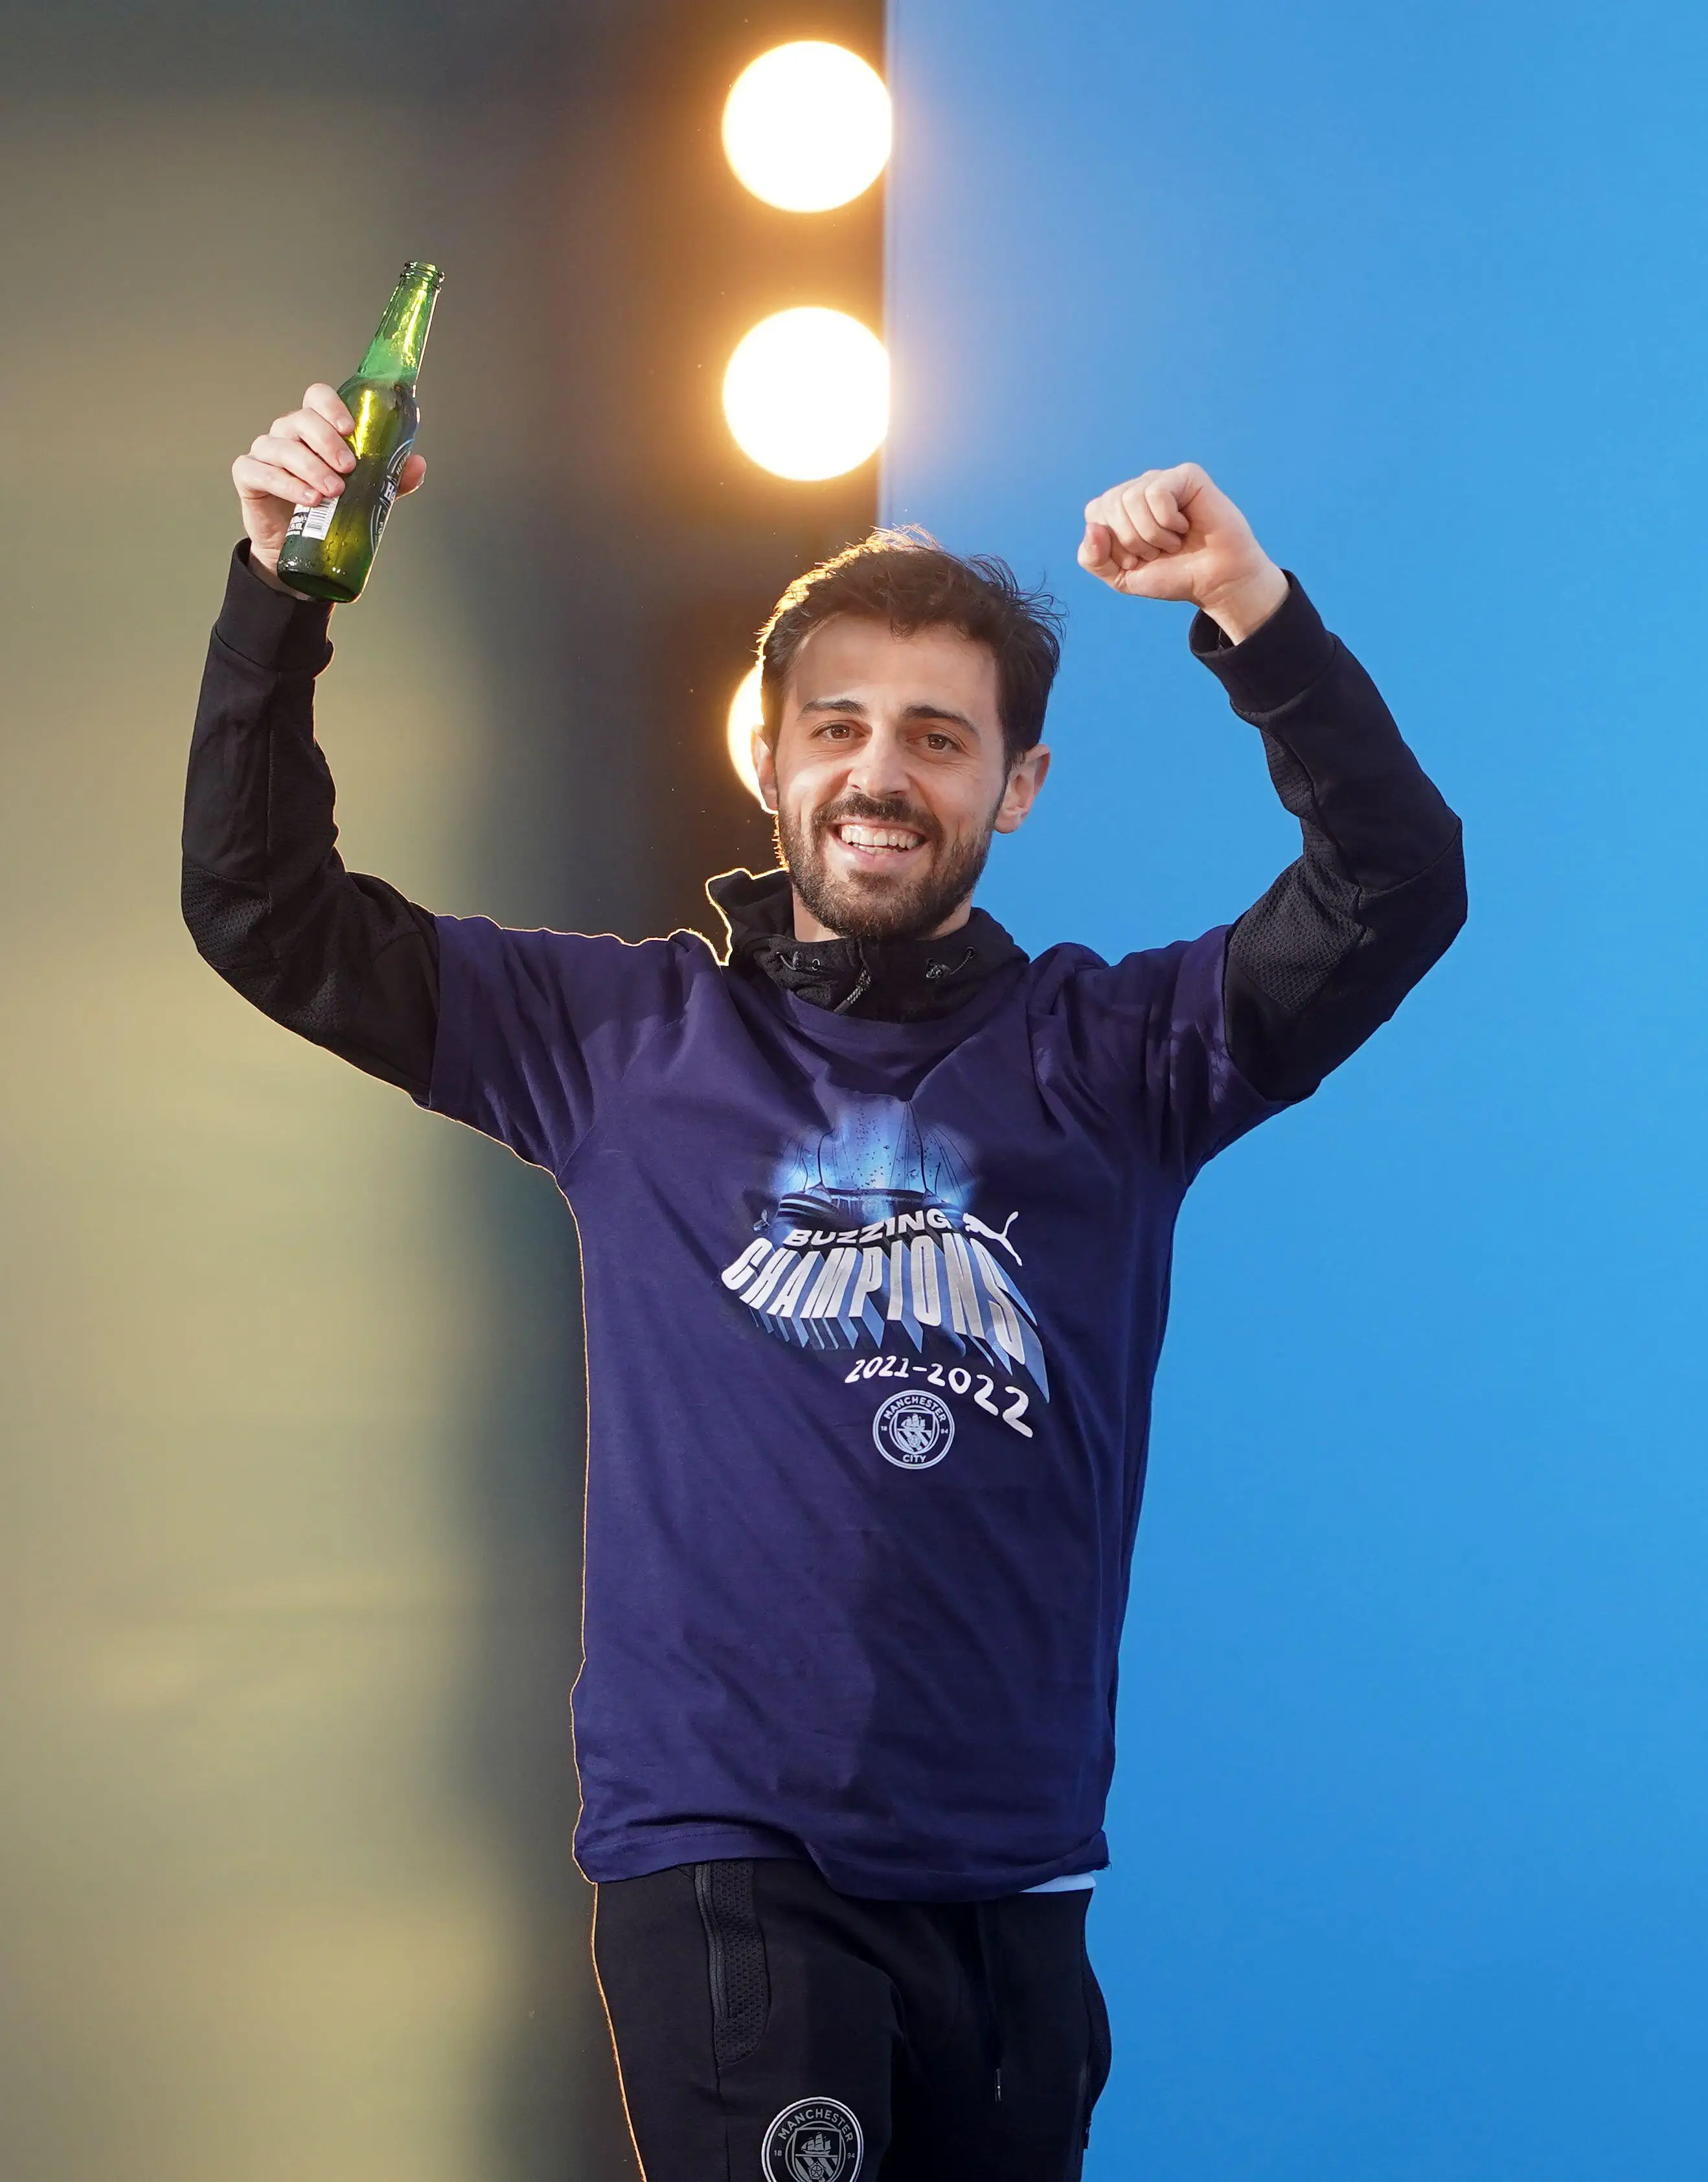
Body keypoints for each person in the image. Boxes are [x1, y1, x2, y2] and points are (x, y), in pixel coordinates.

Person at [184, 380, 1465, 2182]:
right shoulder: (613, 1041)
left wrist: (1250, 613)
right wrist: (281, 590)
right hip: (731, 1866)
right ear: (767, 759)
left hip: (1015, 1876)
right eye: (839, 727)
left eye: (939, 740)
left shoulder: (1125, 1058)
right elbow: (263, 904)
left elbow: (1395, 883)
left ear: (1017, 788)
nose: (880, 773)